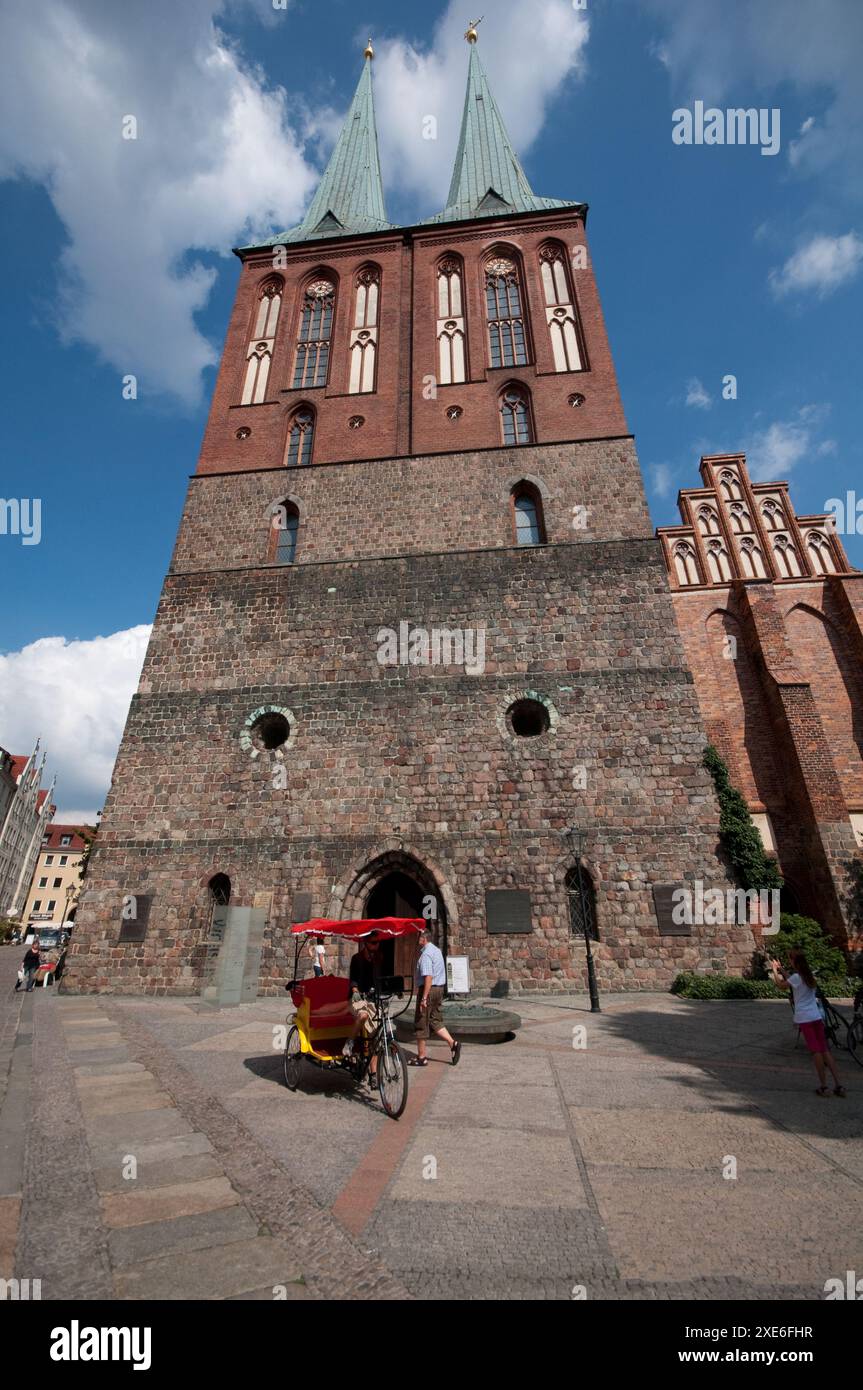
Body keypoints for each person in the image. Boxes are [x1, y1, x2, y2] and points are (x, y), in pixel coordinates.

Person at [769, 950, 846, 1097]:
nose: (789, 962)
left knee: (815, 1052)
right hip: (816, 1017)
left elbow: (781, 985)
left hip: (805, 1018)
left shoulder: (798, 977)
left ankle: (824, 1087)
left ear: (795, 962)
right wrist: (781, 969)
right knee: (825, 1050)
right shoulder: (809, 976)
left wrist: (774, 970)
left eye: (790, 960)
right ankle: (839, 1085)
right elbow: (792, 980)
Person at [410, 925, 460, 1067]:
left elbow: (428, 977)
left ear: (424, 939)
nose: (417, 939)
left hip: (429, 990)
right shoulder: (436, 951)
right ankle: (453, 1043)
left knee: (421, 1022)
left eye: (419, 937)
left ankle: (421, 1057)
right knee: (435, 1020)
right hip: (439, 990)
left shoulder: (426, 954)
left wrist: (424, 998)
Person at [344, 935, 382, 1085]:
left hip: (372, 1000)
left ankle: (373, 1074)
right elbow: (353, 980)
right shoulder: (357, 959)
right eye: (373, 943)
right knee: (364, 1015)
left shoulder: (378, 958)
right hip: (356, 999)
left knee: (375, 1034)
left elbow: (380, 978)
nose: (376, 946)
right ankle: (350, 1042)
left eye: (377, 943)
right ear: (366, 943)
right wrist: (355, 991)